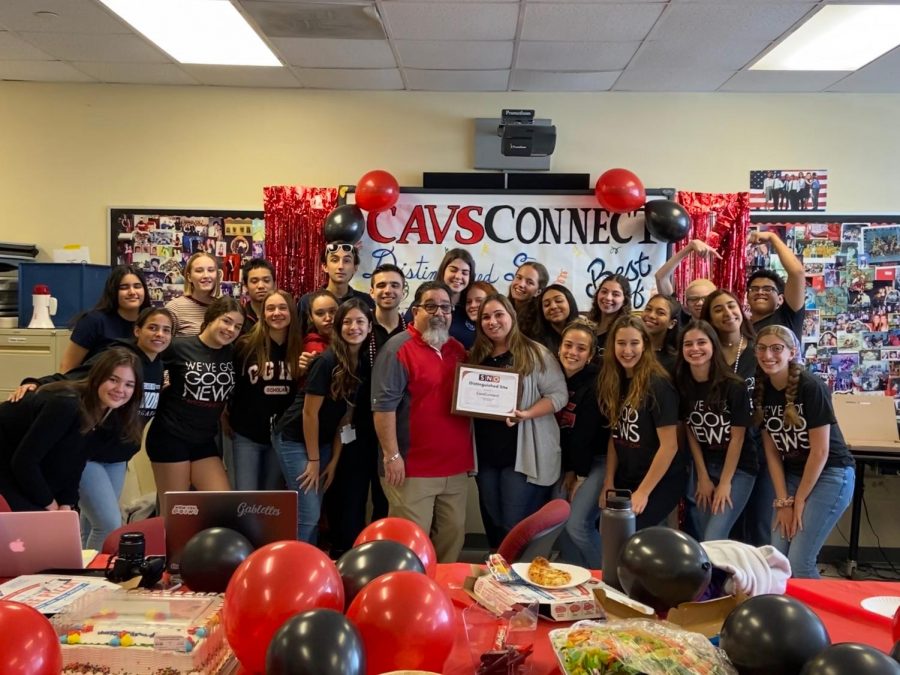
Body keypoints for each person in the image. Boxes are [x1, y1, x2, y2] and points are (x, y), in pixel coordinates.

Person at [11, 308, 172, 547]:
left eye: (166, 330)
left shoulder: (157, 365)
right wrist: (35, 382)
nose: (159, 334)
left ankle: (80, 573)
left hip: (118, 456)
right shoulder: (120, 357)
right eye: (152, 327)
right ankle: (93, 578)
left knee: (92, 523)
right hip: (90, 454)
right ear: (137, 330)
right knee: (109, 524)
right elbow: (77, 378)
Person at [372, 281, 475, 563]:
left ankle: (440, 597)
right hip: (411, 468)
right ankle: (409, 596)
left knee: (452, 536)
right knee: (411, 544)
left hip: (455, 469)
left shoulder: (457, 349)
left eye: (445, 307)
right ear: (415, 311)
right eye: (430, 306)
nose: (439, 312)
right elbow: (383, 409)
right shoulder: (397, 350)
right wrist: (392, 456)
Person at [753, 325, 855, 578]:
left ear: (792, 352)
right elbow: (772, 451)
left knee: (799, 563)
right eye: (762, 349)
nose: (768, 355)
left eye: (777, 349)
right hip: (793, 475)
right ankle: (785, 615)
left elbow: (820, 451)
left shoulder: (811, 386)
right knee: (778, 559)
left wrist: (798, 500)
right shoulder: (762, 389)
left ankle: (821, 617)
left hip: (831, 473)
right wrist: (783, 500)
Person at [467, 294, 567, 547]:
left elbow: (558, 395)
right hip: (486, 455)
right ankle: (497, 576)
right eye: (486, 317)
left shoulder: (535, 353)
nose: (492, 321)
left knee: (515, 524)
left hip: (522, 456)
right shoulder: (475, 356)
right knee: (492, 519)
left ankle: (514, 579)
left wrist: (526, 414)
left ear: (511, 316)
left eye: (498, 314)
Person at [274, 299, 373, 543]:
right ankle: (295, 567)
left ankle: (310, 561)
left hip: (326, 442)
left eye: (360, 321)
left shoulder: (360, 364)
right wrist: (315, 460)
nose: (354, 327)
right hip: (294, 439)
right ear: (338, 328)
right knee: (309, 512)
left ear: (370, 327)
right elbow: (309, 414)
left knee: (314, 510)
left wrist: (334, 461)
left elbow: (345, 419)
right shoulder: (325, 361)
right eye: (347, 322)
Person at [324, 265, 406, 555]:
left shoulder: (410, 333)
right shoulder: (359, 327)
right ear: (371, 292)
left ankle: (382, 557)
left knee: (388, 498)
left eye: (394, 285)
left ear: (403, 292)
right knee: (351, 496)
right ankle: (347, 557)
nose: (388, 291)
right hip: (355, 430)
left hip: (396, 432)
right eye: (381, 285)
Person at [0, 349, 143, 512]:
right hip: (9, 459)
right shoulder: (66, 403)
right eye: (113, 380)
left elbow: (75, 463)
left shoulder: (109, 412)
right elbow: (24, 461)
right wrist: (50, 504)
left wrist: (67, 503)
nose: (120, 389)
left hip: (17, 462)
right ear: (97, 378)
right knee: (32, 521)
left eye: (129, 384)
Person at [145, 297, 243, 501]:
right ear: (211, 318)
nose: (231, 329)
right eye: (226, 321)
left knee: (224, 504)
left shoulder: (233, 354)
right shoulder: (178, 346)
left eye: (237, 326)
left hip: (204, 439)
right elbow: (143, 362)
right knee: (175, 511)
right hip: (170, 436)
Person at [598, 316, 683, 529]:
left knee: (632, 533)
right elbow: (616, 435)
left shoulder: (658, 384)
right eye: (621, 343)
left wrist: (644, 491)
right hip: (628, 476)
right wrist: (609, 481)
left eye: (634, 343)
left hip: (660, 480)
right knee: (608, 530)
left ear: (645, 344)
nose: (627, 350)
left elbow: (669, 445)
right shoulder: (614, 380)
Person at [677, 320, 757, 541]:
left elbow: (738, 438)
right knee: (703, 537)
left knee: (714, 536)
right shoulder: (682, 384)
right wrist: (702, 476)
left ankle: (727, 576)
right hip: (704, 464)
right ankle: (714, 577)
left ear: (713, 346)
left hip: (738, 468)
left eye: (701, 342)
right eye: (688, 344)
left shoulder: (734, 385)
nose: (695, 349)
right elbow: (690, 431)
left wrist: (725, 483)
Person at [229, 290, 300, 491]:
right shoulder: (245, 344)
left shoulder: (299, 347)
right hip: (247, 434)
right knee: (246, 496)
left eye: (282, 308)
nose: (276, 313)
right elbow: (230, 384)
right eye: (270, 308)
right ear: (263, 313)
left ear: (291, 312)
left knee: (271, 499)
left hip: (282, 437)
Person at [554, 320, 609, 569]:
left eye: (580, 348)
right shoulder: (554, 379)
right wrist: (569, 470)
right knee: (559, 521)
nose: (572, 353)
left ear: (589, 355)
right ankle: (571, 574)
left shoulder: (596, 382)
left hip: (596, 462)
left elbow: (585, 435)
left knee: (577, 524)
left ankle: (607, 577)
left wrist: (580, 476)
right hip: (568, 464)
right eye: (568, 345)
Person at [60, 265, 151, 372]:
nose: (132, 292)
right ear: (113, 291)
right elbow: (67, 368)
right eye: (124, 287)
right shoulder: (93, 321)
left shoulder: (151, 323)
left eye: (137, 286)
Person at [747, 230, 805, 339]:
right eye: (754, 289)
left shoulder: (787, 318)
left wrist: (772, 237)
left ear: (780, 299)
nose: (760, 292)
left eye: (768, 289)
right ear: (747, 297)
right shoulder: (741, 328)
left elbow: (797, 273)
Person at [297, 241, 374, 320]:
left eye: (346, 261)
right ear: (325, 266)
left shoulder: (365, 301)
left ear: (355, 268)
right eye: (334, 260)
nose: (340, 266)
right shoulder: (307, 302)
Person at [653, 239, 720, 323]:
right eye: (693, 299)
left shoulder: (722, 324)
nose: (699, 303)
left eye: (705, 298)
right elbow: (661, 278)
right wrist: (689, 247)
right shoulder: (680, 321)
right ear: (687, 304)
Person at [165, 252, 221, 337]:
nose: (206, 275)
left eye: (211, 270)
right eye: (199, 271)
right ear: (189, 277)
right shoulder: (174, 308)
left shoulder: (223, 308)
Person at [587, 274, 632, 356]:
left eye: (615, 294)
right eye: (604, 291)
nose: (608, 297)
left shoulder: (625, 331)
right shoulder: (587, 325)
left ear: (624, 300)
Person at [508, 261, 549, 340]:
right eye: (519, 277)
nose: (521, 284)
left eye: (529, 282)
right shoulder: (502, 307)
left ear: (538, 292)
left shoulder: (540, 321)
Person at [641, 294, 680, 375]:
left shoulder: (675, 361)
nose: (651, 315)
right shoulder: (630, 350)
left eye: (660, 313)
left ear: (672, 323)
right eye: (648, 309)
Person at [537, 284, 580, 354]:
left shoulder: (585, 332)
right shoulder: (538, 342)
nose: (553, 306)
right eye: (546, 304)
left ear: (570, 302)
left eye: (558, 300)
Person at [240, 258, 276, 334]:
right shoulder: (240, 317)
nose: (260, 286)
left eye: (266, 280)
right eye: (254, 281)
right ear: (246, 286)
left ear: (275, 284)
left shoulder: (282, 315)